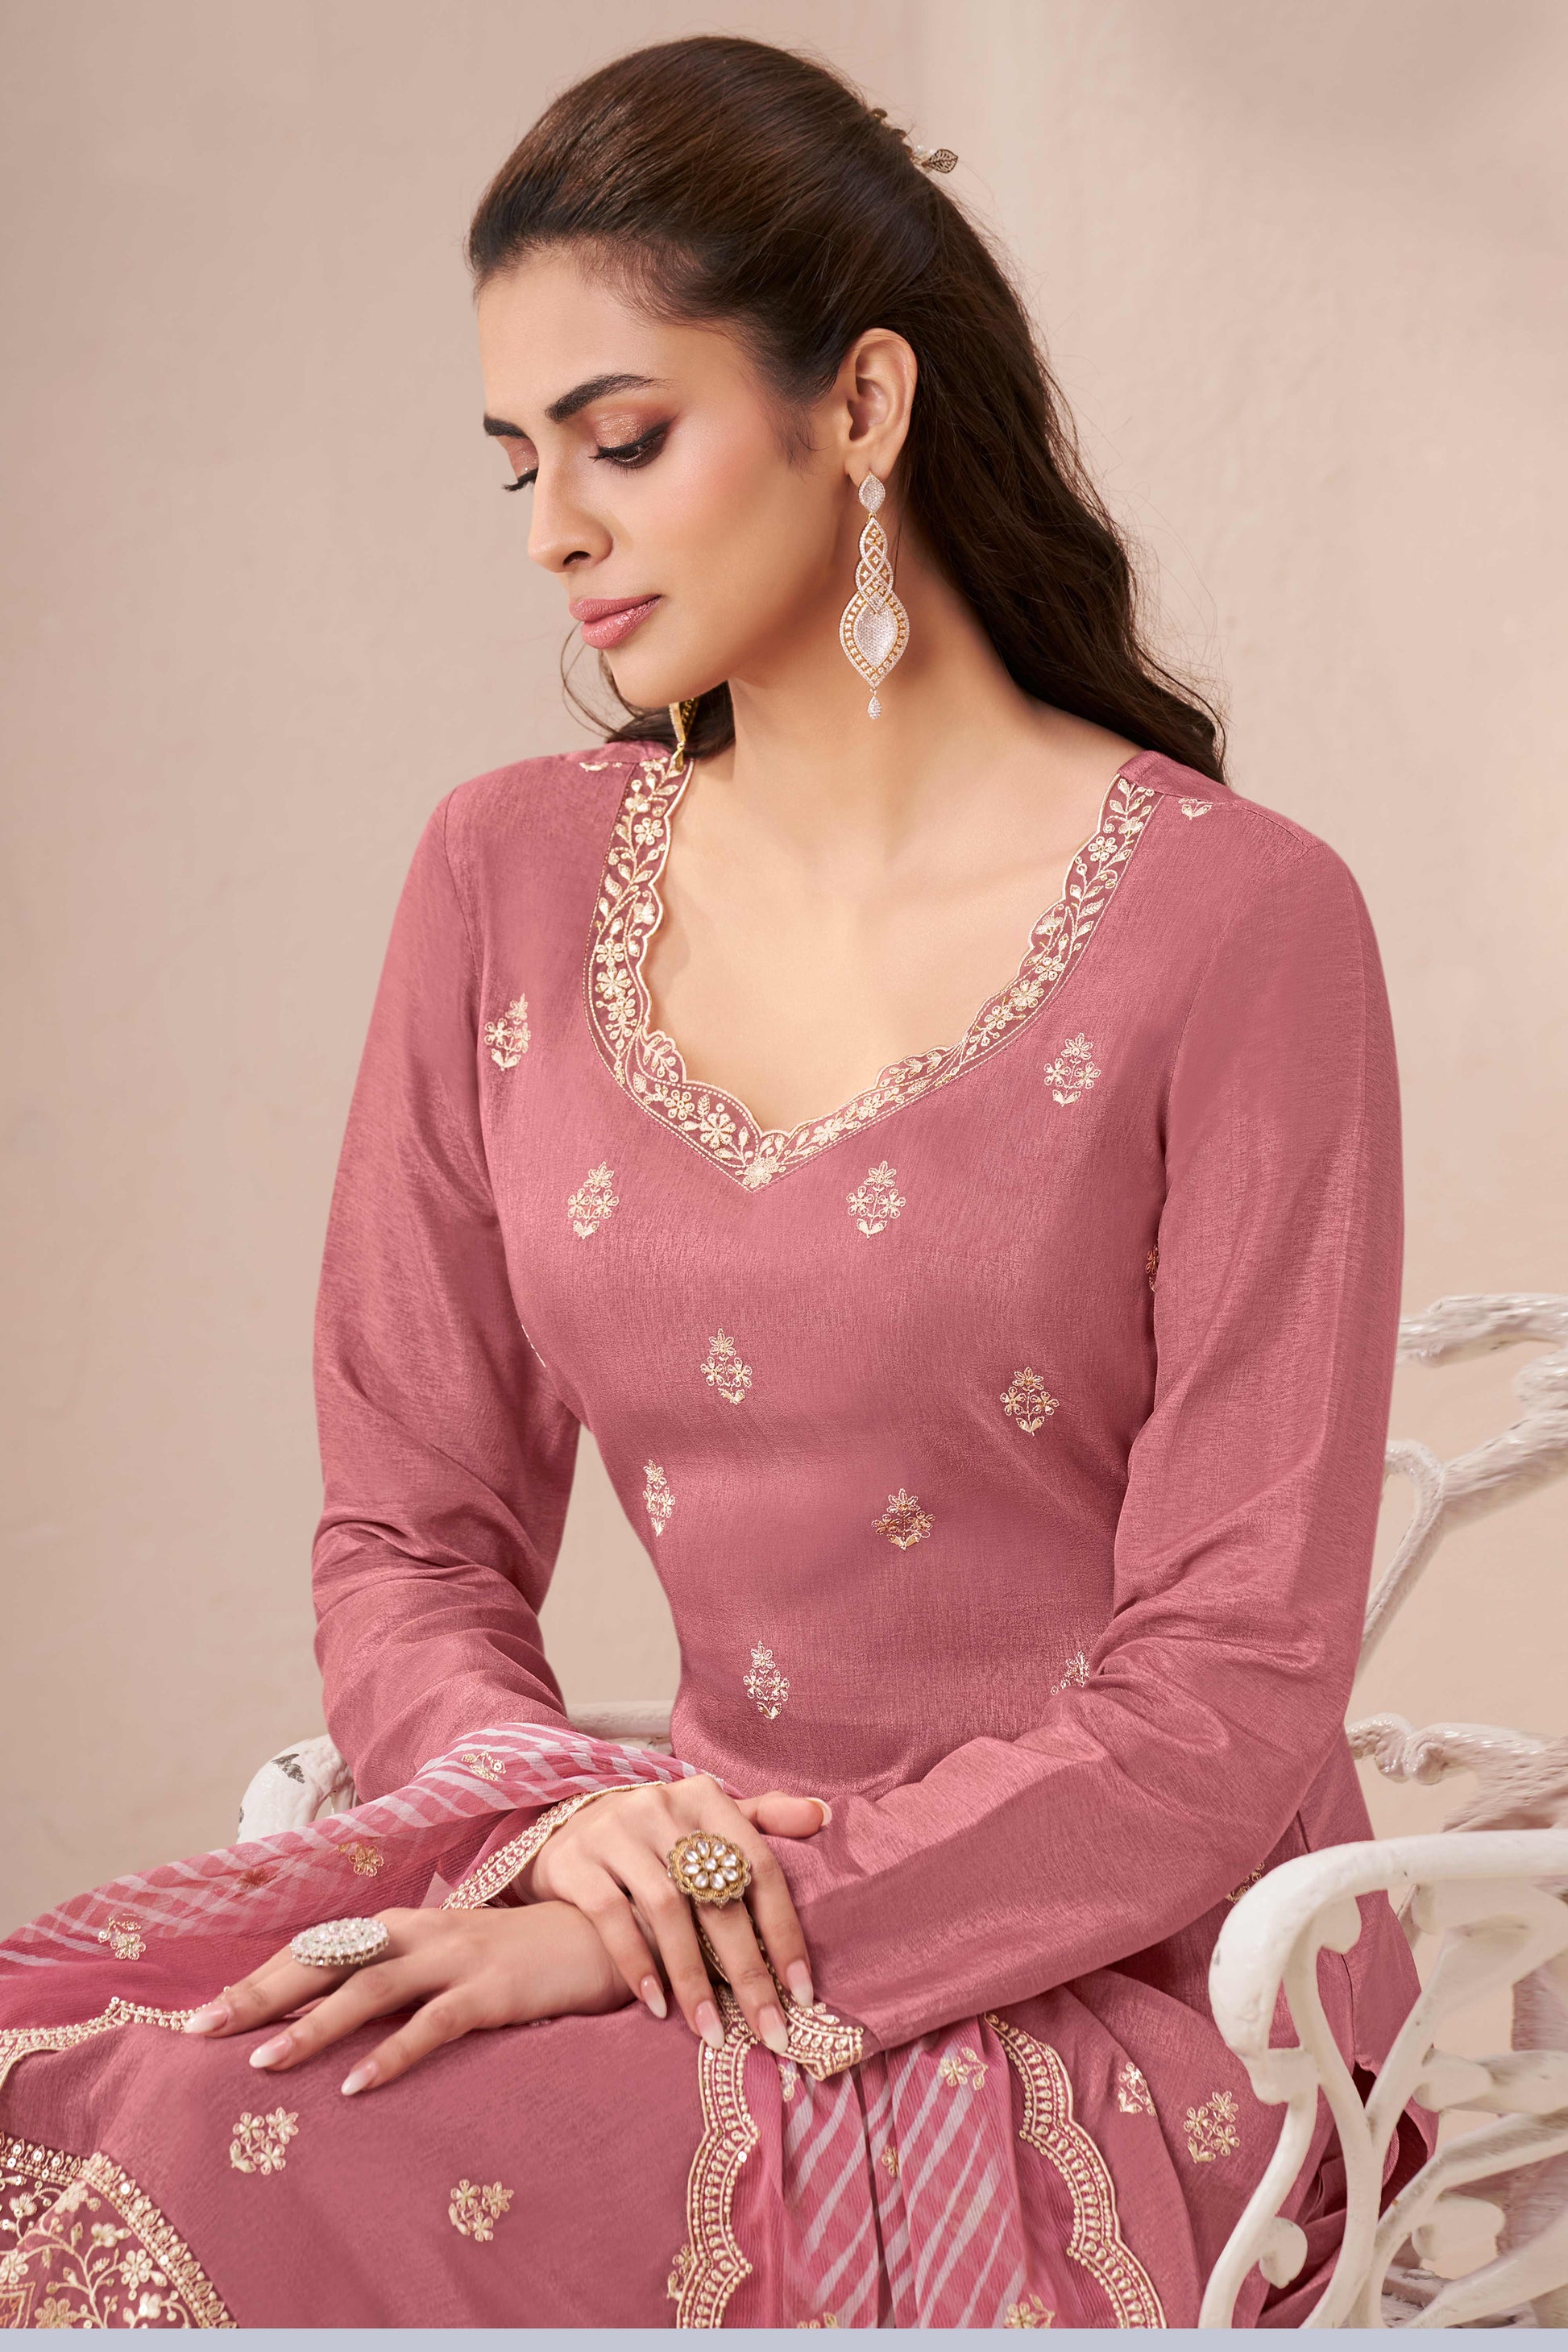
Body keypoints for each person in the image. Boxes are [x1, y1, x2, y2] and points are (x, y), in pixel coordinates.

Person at [0, 33, 1433, 2330]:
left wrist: (675, 1930)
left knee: (227, 2141)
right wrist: (562, 1826)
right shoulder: (503, 880)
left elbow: (1229, 1694)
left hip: (1131, 1972)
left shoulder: (1236, 923)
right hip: (633, 1898)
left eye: (623, 439)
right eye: (518, 466)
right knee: (100, 2097)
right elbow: (409, 1538)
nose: (553, 530)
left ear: (858, 405)